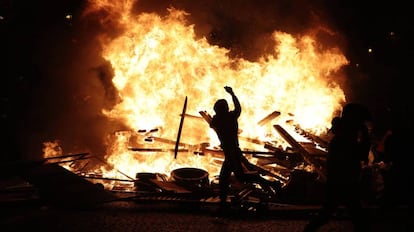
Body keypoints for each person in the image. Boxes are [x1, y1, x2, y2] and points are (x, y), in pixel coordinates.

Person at [210, 86, 280, 215]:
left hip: (231, 153)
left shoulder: (218, 119)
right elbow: (238, 108)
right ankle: (223, 204)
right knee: (226, 178)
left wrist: (232, 94)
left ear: (218, 110)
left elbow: (213, 122)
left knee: (238, 177)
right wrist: (232, 94)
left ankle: (273, 184)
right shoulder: (231, 117)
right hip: (233, 152)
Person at [303, 103, 372, 232]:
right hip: (344, 181)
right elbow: (361, 155)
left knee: (336, 212)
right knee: (353, 214)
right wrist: (365, 136)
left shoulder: (342, 136)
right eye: (360, 120)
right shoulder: (345, 139)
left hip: (340, 181)